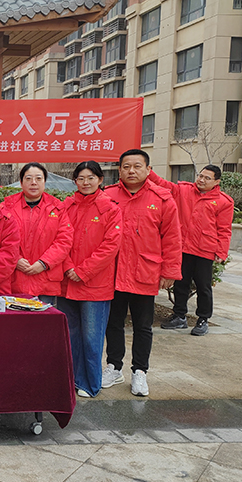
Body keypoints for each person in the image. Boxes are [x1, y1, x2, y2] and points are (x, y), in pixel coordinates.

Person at [102, 149, 182, 397]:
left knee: (143, 325)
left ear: (148, 170)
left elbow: (172, 237)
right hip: (112, 272)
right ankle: (114, 367)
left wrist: (170, 270)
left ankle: (140, 371)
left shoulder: (162, 198)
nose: (131, 171)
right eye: (126, 166)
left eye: (137, 166)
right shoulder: (107, 196)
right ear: (119, 170)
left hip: (144, 272)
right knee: (113, 322)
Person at [59, 161, 122, 398]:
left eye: (91, 178)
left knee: (91, 337)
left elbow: (110, 247)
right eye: (81, 178)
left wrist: (83, 271)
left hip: (94, 283)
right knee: (71, 334)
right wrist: (68, 267)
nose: (85, 183)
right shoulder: (66, 206)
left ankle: (89, 384)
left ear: (100, 180)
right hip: (67, 281)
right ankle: (72, 379)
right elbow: (58, 239)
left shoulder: (110, 209)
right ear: (75, 181)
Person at [152, 165, 234, 336]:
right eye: (200, 176)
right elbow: (162, 184)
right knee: (180, 284)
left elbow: (224, 229)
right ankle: (179, 316)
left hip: (204, 250)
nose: (201, 180)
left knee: (203, 287)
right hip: (182, 247)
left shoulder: (223, 202)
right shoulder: (184, 190)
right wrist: (147, 171)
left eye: (207, 178)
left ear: (217, 182)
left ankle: (203, 319)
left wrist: (221, 252)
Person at [3, 162, 73, 306]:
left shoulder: (57, 208)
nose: (33, 183)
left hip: (45, 279)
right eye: (28, 178)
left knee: (43, 319)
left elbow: (64, 241)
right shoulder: (6, 207)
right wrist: (15, 259)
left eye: (38, 178)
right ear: (21, 182)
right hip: (14, 278)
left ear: (45, 182)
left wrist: (43, 263)